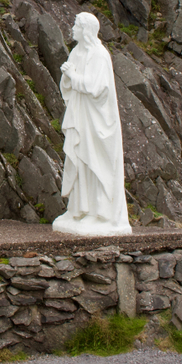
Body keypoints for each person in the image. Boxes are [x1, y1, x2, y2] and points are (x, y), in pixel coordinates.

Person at [53, 12, 132, 236]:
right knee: (79, 159)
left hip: (97, 121)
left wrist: (73, 76)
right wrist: (67, 77)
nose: (72, 28)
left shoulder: (99, 55)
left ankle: (100, 213)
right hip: (81, 115)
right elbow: (68, 86)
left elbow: (96, 87)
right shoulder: (77, 52)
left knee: (94, 163)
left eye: (76, 25)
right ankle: (78, 209)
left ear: (86, 30)